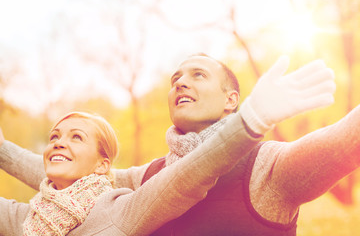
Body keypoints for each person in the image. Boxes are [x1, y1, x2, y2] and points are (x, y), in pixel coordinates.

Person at [0, 54, 341, 235]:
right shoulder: (147, 176)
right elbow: (77, 173)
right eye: (175, 78)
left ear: (231, 99)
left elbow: (343, 144)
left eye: (198, 75)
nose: (181, 83)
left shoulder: (268, 167)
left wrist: (252, 120)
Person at [0, 111, 262, 235]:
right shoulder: (26, 218)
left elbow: (186, 176)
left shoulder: (118, 211)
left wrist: (252, 122)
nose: (58, 142)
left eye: (76, 137)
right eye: (54, 136)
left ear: (102, 165)